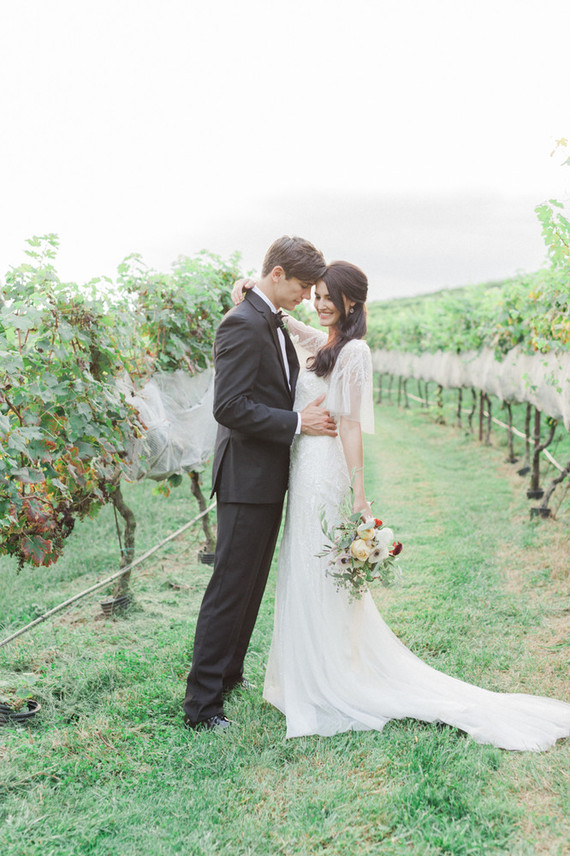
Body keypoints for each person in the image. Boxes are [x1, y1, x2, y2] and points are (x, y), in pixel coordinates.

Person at [233, 261, 570, 751]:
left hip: (324, 474)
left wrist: (359, 493)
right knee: (301, 566)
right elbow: (299, 329)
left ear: (352, 302)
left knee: (319, 569)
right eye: (316, 295)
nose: (320, 303)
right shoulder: (328, 343)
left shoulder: (355, 351)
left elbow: (350, 425)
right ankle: (306, 671)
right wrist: (258, 293)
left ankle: (330, 677)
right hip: (302, 471)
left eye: (329, 297)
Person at [184, 236, 338, 731]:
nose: (305, 296)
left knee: (250, 585)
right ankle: (202, 706)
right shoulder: (242, 322)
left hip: (268, 477)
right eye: (301, 286)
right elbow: (228, 407)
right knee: (230, 587)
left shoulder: (267, 317)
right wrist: (297, 423)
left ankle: (229, 675)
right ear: (277, 274)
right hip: (245, 478)